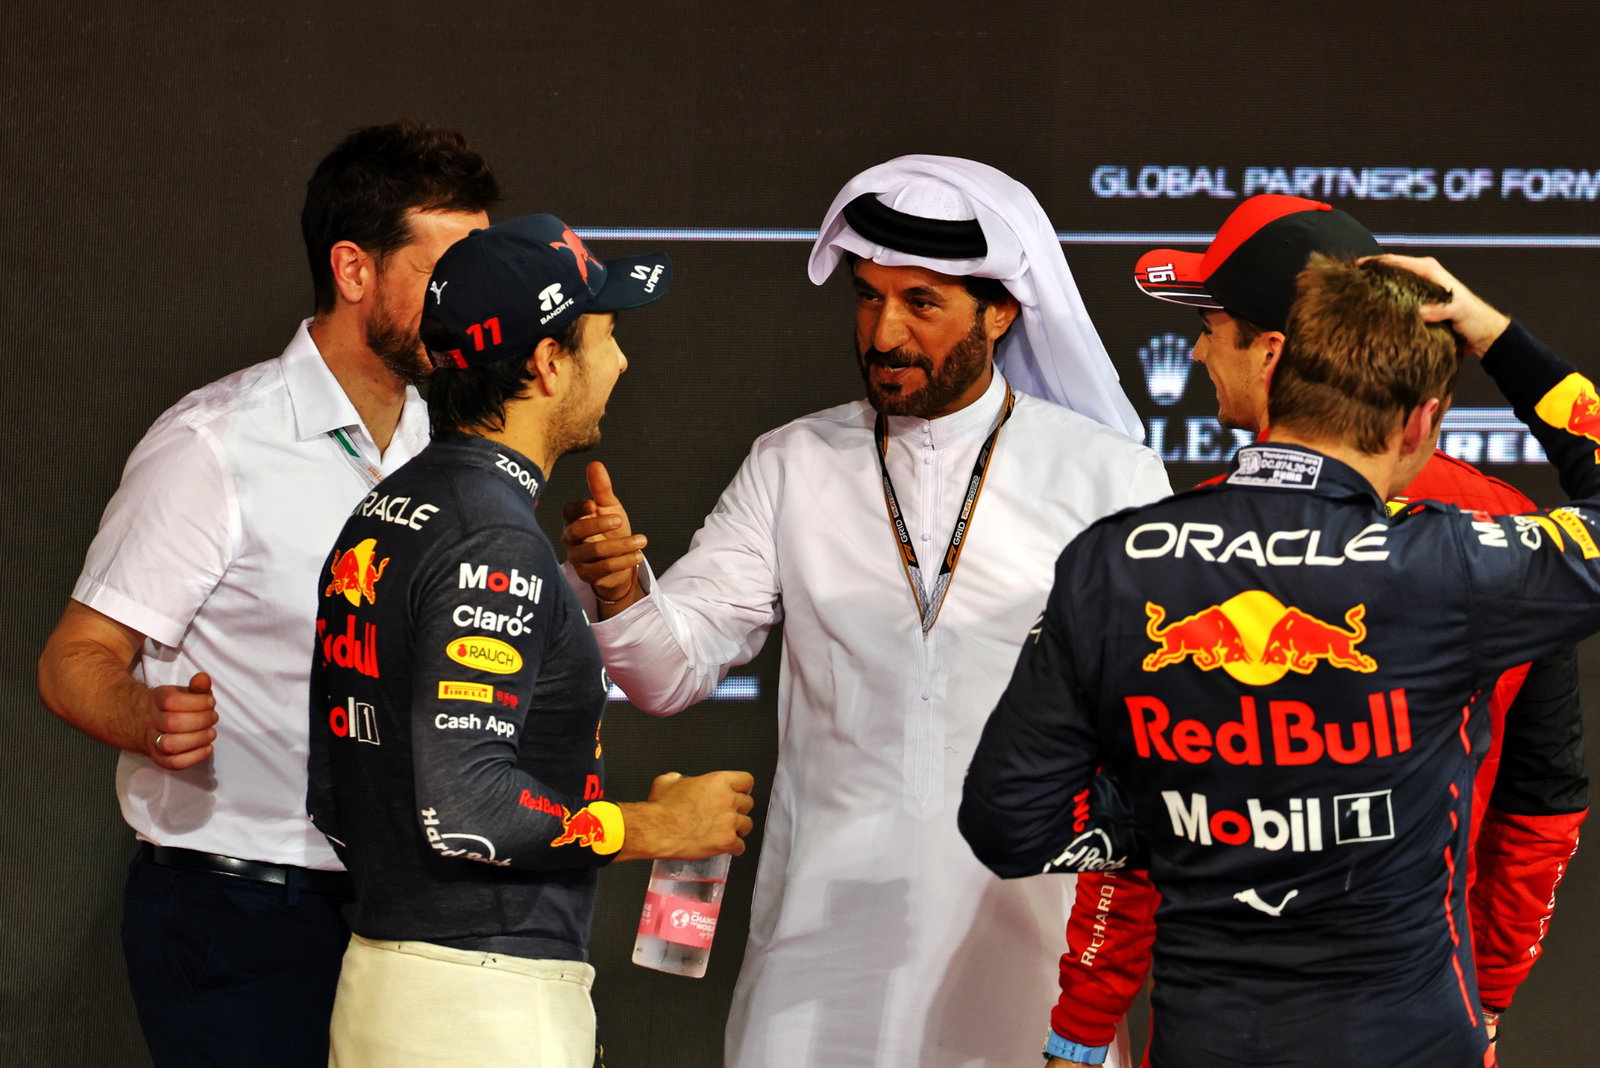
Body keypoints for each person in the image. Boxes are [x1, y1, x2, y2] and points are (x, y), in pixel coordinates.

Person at [560, 155, 1171, 1067]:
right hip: (815, 956)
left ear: (1000, 312)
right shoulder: (791, 463)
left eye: (921, 304)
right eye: (868, 297)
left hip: (1032, 952)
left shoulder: (1107, 476)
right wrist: (617, 590)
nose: (884, 333)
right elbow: (667, 672)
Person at [960, 252, 1600, 1067]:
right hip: (1415, 1041)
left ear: (1273, 372)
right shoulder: (1458, 564)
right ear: (1420, 425)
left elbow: (1006, 824)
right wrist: (1497, 336)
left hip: (1208, 1042)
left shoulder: (1115, 561)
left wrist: (1160, 822)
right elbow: (1543, 805)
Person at [35, 121, 498, 1065]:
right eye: (447, 268)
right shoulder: (214, 445)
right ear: (354, 270)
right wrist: (144, 714)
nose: (472, 300)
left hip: (406, 913)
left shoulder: (448, 447)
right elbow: (72, 660)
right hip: (236, 913)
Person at [305, 213, 754, 1066]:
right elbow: (469, 809)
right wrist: (653, 825)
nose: (621, 360)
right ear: (548, 363)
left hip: (391, 978)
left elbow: (334, 791)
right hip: (479, 1005)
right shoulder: (492, 539)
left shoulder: (390, 511)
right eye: (607, 335)